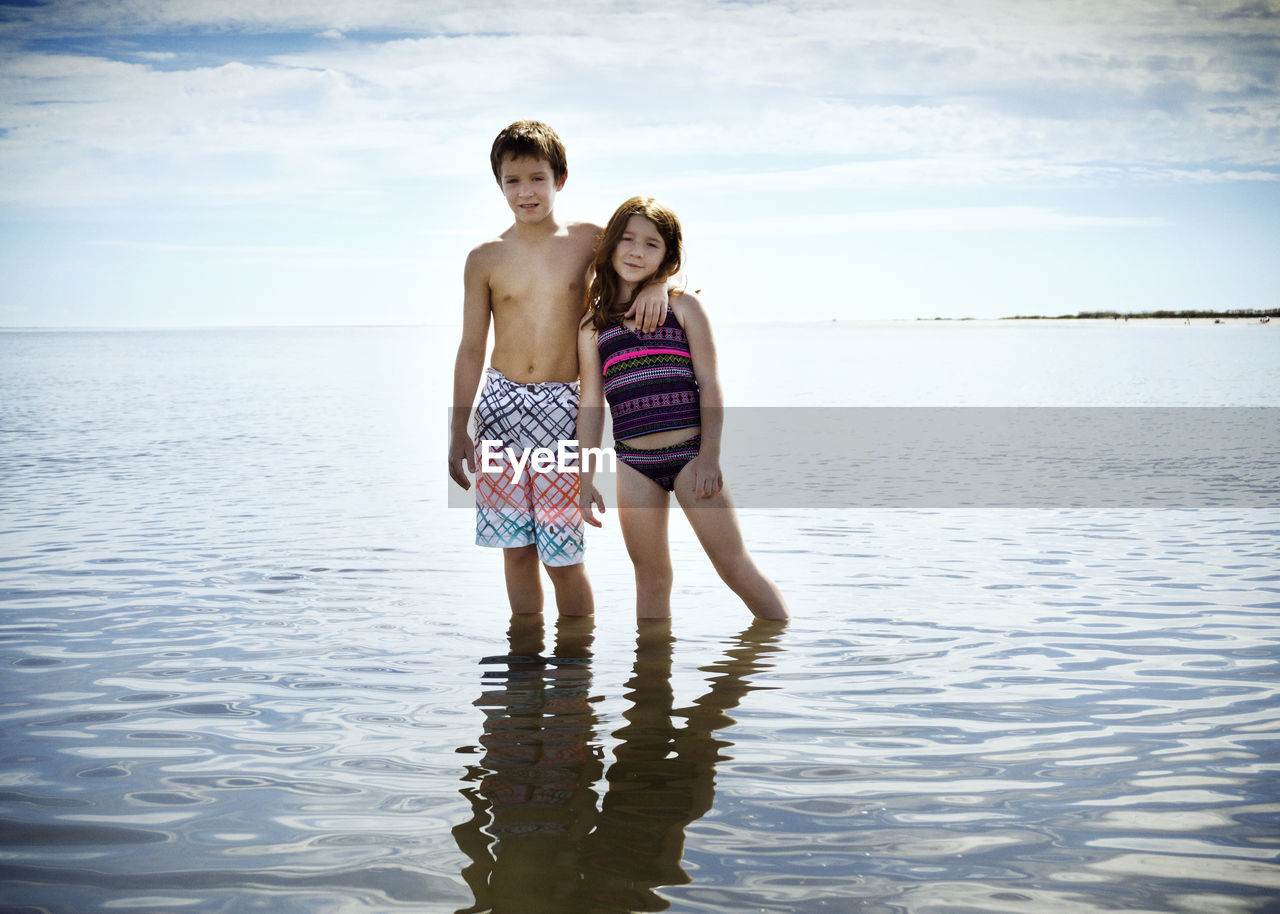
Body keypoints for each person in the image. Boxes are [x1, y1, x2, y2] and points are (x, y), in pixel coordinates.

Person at [448, 122, 668, 617]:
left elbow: (648, 255)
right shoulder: (484, 258)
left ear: (560, 178)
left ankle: (574, 673)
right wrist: (458, 428)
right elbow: (469, 349)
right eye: (513, 180)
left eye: (537, 178)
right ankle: (523, 669)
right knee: (517, 552)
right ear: (499, 184)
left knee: (562, 555)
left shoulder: (588, 240)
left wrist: (659, 286)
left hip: (561, 411)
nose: (526, 191)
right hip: (500, 409)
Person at [577, 197, 789, 621]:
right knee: (651, 578)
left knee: (733, 566)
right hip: (635, 464)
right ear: (610, 246)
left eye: (651, 244)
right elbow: (590, 403)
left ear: (668, 257)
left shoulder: (684, 308)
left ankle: (782, 644)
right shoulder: (593, 326)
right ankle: (652, 681)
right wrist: (584, 476)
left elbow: (709, 383)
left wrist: (710, 456)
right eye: (627, 240)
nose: (637, 251)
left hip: (692, 457)